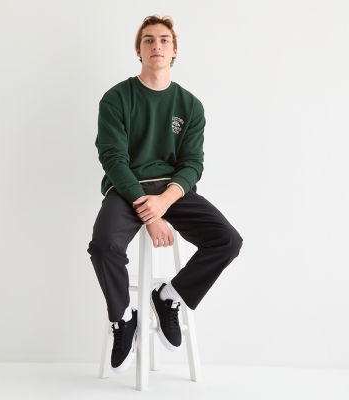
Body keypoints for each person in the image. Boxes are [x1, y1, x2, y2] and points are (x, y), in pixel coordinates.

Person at [87, 14, 243, 373]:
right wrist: (150, 212)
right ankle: (123, 317)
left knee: (227, 241)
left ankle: (169, 296)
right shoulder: (116, 98)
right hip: (127, 189)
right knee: (103, 246)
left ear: (174, 51)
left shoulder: (190, 105)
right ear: (138, 51)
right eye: (148, 40)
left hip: (173, 191)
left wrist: (166, 200)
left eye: (163, 40)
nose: (156, 45)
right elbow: (112, 158)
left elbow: (192, 164)